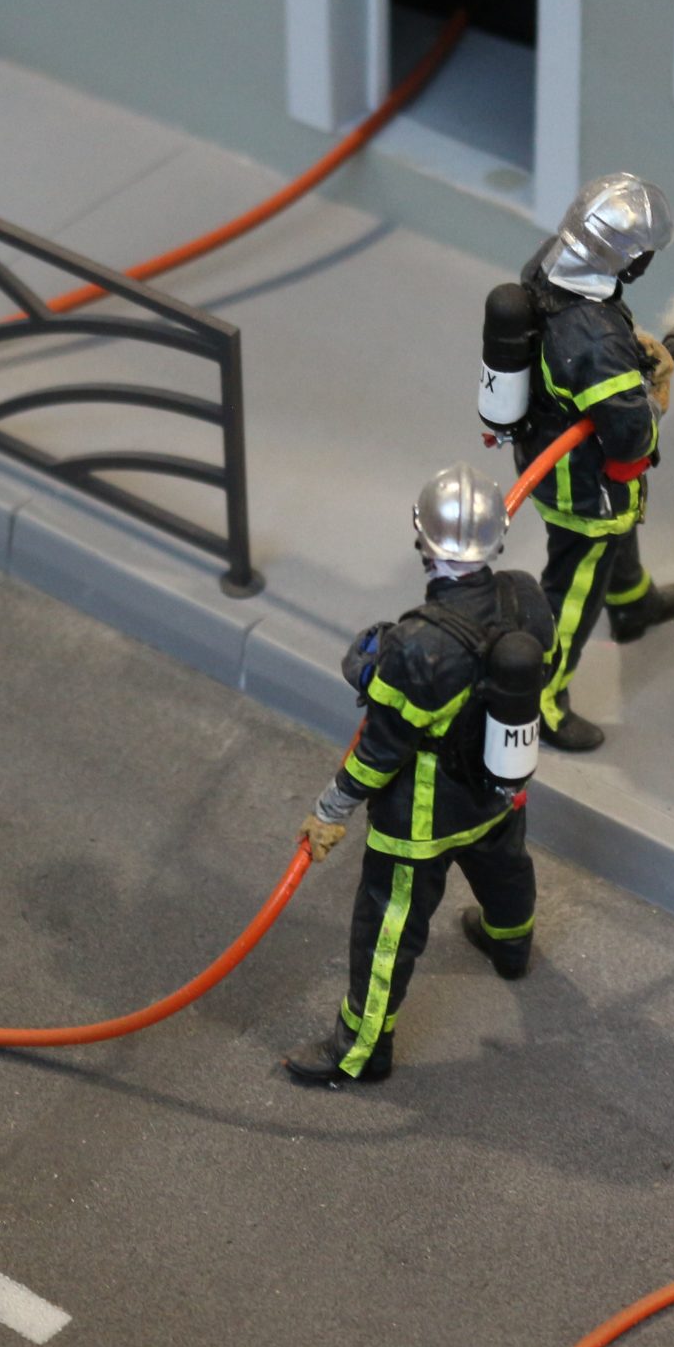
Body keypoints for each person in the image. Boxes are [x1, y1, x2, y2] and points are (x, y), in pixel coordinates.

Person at [283, 464, 554, 1087]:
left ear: (423, 540)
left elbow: (380, 750)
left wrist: (329, 809)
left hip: (422, 819)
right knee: (506, 869)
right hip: (498, 791)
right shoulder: (525, 596)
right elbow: (548, 663)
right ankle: (510, 945)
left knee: (387, 928)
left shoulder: (416, 645)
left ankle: (359, 1051)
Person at [513, 172, 674, 752]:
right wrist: (650, 396)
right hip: (582, 484)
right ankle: (541, 697)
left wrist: (628, 353)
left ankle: (633, 605)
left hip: (546, 444)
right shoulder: (593, 341)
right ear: (629, 259)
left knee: (619, 533)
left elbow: (581, 353)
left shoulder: (551, 264)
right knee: (573, 587)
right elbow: (628, 436)